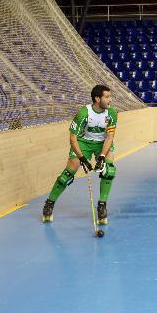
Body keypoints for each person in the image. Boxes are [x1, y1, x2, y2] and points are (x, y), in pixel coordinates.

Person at [42, 85, 117, 224]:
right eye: (107, 97)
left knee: (109, 170)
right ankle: (49, 203)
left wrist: (101, 156)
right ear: (97, 98)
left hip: (102, 142)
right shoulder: (83, 113)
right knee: (68, 173)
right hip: (84, 142)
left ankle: (102, 206)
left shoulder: (111, 113)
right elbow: (73, 138)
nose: (110, 100)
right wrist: (82, 158)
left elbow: (110, 137)